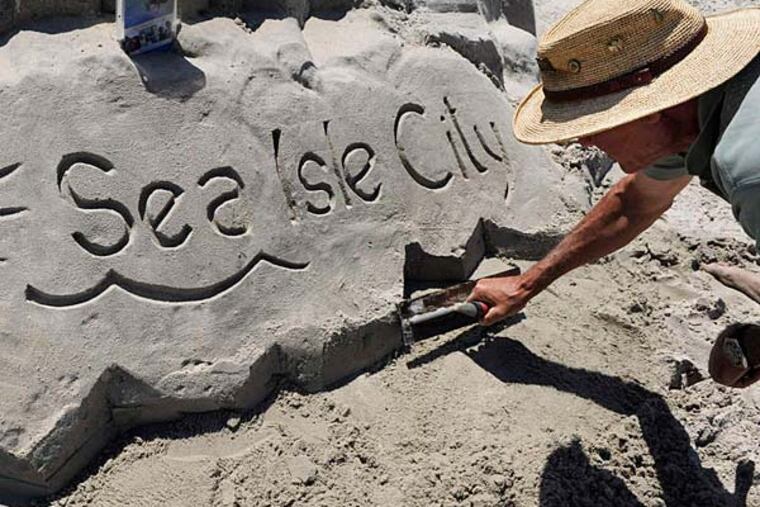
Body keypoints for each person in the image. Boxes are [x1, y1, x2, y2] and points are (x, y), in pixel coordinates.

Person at [467, 0, 760, 387]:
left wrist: (750, 347)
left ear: (648, 109)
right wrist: (527, 284)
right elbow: (635, 203)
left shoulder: (748, 170)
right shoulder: (694, 113)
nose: (584, 140)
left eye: (593, 122)